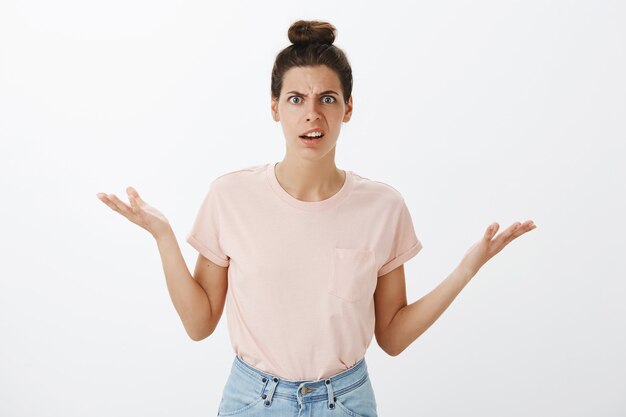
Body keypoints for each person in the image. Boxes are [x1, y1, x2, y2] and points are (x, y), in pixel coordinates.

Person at [96, 19, 536, 417]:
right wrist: (163, 236)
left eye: (327, 98)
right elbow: (199, 324)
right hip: (253, 401)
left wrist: (467, 268)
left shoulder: (383, 208)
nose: (312, 113)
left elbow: (393, 337)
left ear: (347, 108)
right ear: (275, 108)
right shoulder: (230, 196)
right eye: (296, 98)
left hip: (344, 402)